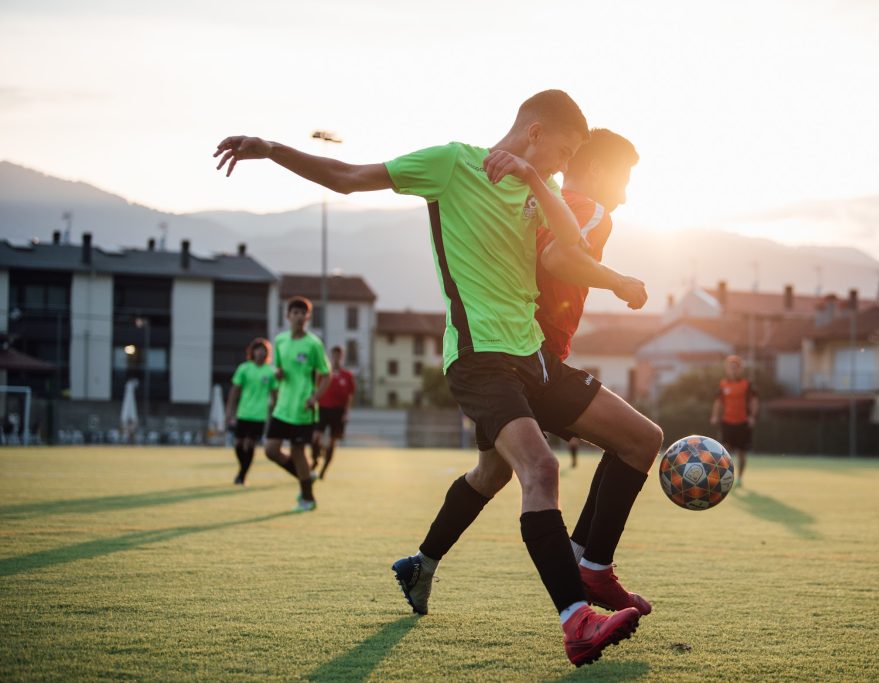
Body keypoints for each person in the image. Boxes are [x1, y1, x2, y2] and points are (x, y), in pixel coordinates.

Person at [214, 90, 646, 667]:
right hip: (479, 358)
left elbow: (568, 245)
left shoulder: (535, 189)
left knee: (633, 439)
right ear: (537, 131)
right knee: (537, 469)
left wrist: (535, 180)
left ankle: (438, 565)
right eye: (563, 151)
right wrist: (271, 150)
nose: (567, 166)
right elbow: (348, 176)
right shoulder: (451, 164)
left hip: (534, 357)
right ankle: (576, 622)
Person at [391, 129, 662, 629]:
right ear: (599, 171)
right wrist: (620, 280)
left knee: (491, 474)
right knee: (635, 441)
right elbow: (557, 258)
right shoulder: (591, 210)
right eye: (624, 179)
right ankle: (590, 569)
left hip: (504, 353)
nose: (624, 194)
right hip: (527, 360)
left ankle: (421, 564)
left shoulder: (533, 198)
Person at [265, 296, 330, 511]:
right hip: (283, 407)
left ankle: (308, 498)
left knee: (298, 451)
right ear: (288, 316)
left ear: (308, 317)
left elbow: (326, 374)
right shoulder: (280, 341)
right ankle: (306, 476)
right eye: (295, 312)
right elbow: (277, 370)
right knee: (271, 450)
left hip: (303, 409)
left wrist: (314, 398)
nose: (300, 316)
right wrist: (278, 374)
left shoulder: (313, 344)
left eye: (304, 313)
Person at [225, 337, 277, 485]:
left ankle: (242, 475)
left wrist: (275, 414)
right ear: (252, 351)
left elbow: (275, 396)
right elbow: (234, 391)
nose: (260, 353)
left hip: (259, 415)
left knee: (250, 444)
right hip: (243, 412)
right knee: (238, 444)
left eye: (264, 350)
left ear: (267, 354)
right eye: (258, 349)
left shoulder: (270, 372)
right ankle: (242, 470)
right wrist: (229, 411)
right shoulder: (244, 369)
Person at [710, 355, 759, 487]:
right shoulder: (722, 384)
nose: (733, 370)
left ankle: (740, 478)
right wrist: (715, 416)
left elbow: (754, 401)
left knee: (742, 453)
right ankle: (724, 477)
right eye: (731, 368)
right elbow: (718, 402)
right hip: (727, 422)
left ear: (740, 369)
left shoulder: (746, 385)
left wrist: (752, 417)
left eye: (736, 368)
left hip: (743, 423)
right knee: (724, 451)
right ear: (727, 369)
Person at [311, 345, 356, 480]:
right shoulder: (323, 373)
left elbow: (349, 395)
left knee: (332, 441)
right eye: (334, 355)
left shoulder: (347, 375)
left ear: (341, 357)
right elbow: (315, 389)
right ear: (330, 357)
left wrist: (346, 412)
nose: (336, 358)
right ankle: (315, 460)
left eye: (339, 356)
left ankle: (324, 470)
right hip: (322, 409)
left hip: (338, 411)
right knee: (315, 437)